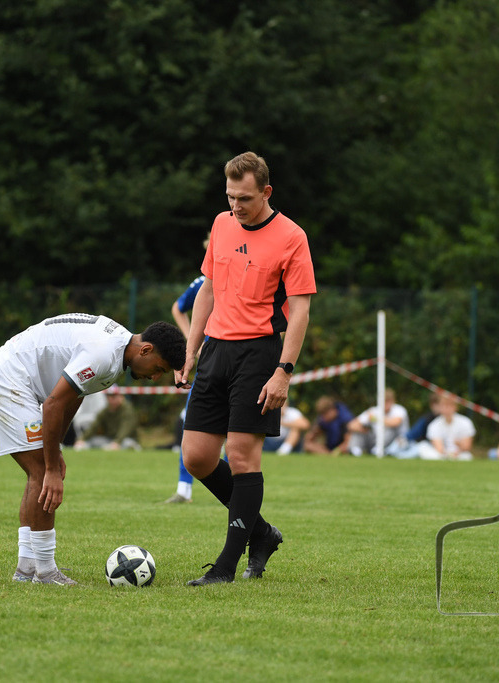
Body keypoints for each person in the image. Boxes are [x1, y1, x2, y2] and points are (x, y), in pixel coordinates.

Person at [175, 151, 316, 586]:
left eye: (246, 198)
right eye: (231, 196)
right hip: (215, 350)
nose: (237, 206)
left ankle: (225, 568)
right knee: (196, 457)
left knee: (241, 456)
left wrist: (283, 371)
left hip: (259, 355)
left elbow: (301, 309)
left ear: (266, 192)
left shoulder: (292, 236)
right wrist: (191, 349)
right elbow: (208, 291)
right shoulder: (221, 224)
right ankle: (261, 533)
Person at [0, 314, 185, 585]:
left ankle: (26, 569)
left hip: (10, 381)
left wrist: (56, 448)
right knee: (41, 473)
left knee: (40, 471)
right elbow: (52, 405)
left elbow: (73, 397)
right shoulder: (104, 354)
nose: (155, 377)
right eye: (159, 368)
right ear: (146, 349)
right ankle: (45, 571)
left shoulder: (117, 351)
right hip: (6, 382)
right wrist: (50, 467)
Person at [163, 254, 208, 504]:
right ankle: (184, 489)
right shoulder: (204, 282)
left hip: (242, 361)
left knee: (235, 431)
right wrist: (193, 341)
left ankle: (235, 489)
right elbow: (178, 308)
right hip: (209, 363)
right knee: (191, 421)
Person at [347, 389, 410, 457]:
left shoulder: (399, 410)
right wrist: (363, 429)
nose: (385, 404)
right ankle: (355, 450)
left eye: (388, 401)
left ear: (393, 401)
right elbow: (351, 425)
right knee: (359, 431)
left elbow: (395, 422)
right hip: (374, 439)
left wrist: (375, 419)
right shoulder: (374, 410)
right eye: (384, 401)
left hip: (396, 441)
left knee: (390, 430)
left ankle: (379, 449)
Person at [74, 389, 141, 451]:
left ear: (120, 397)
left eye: (114, 397)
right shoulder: (106, 410)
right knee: (92, 442)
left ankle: (133, 447)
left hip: (125, 439)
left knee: (127, 443)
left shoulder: (127, 410)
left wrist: (117, 442)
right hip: (110, 439)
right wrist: (82, 439)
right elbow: (94, 426)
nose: (111, 399)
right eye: (109, 397)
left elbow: (125, 429)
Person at [417, 395, 476, 461]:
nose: (446, 409)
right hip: (442, 454)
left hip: (460, 454)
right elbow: (439, 448)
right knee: (423, 447)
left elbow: (467, 447)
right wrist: (447, 454)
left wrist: (459, 445)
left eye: (449, 406)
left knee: (466, 456)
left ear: (455, 407)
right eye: (444, 406)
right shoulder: (434, 425)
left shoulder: (465, 422)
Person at [387, 393, 440, 458]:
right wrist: (405, 438)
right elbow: (413, 433)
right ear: (432, 405)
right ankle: (389, 452)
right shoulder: (427, 419)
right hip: (420, 444)